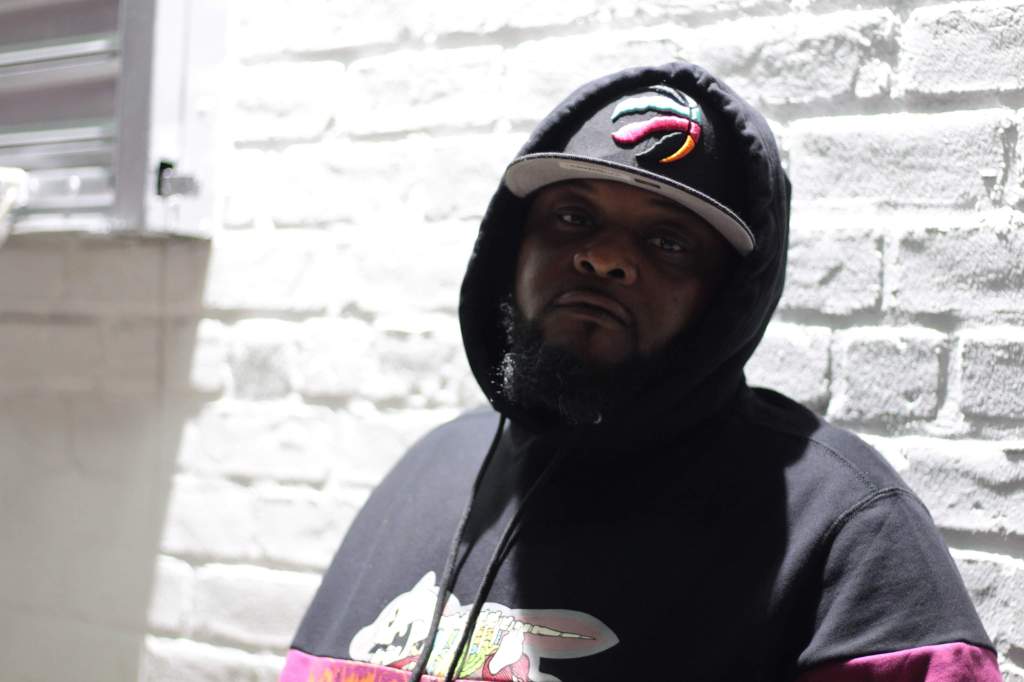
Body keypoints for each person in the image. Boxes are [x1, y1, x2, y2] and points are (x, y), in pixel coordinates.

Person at [279, 62, 1002, 682]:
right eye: (572, 217)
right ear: (512, 248)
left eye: (668, 241)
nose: (604, 257)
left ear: (729, 298)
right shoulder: (427, 474)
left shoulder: (844, 527)